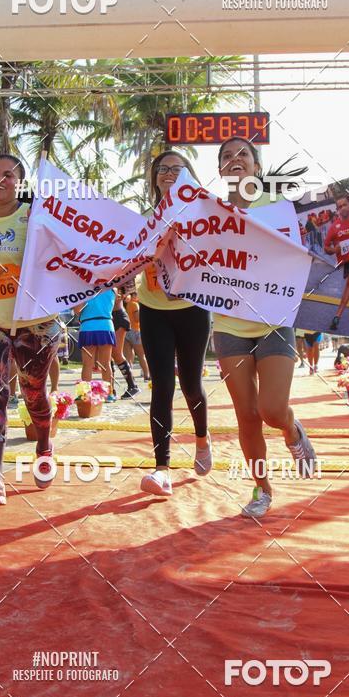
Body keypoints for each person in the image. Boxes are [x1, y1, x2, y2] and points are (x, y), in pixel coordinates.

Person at [214, 136, 317, 518]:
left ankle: (292, 430)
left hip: (274, 321)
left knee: (271, 410)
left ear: (256, 166)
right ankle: (262, 489)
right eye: (227, 155)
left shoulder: (279, 206)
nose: (235, 158)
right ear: (220, 170)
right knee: (247, 415)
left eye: (243, 153)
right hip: (229, 324)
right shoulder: (208, 213)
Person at [0, 154, 61, 506]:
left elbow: (62, 261)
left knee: (33, 392)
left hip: (35, 324)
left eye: (8, 175)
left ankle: (44, 445)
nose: (0, 179)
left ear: (20, 182)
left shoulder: (37, 218)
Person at [138, 150, 212, 498]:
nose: (168, 173)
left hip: (194, 308)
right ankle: (162, 469)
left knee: (191, 385)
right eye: (162, 169)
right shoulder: (144, 219)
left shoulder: (205, 214)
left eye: (176, 169)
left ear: (189, 176)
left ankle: (202, 438)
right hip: (153, 308)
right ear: (154, 179)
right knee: (162, 385)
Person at [324, 195, 349, 333]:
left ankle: (337, 316)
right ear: (337, 210)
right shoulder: (334, 227)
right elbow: (326, 247)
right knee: (348, 281)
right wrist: (334, 250)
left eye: (344, 205)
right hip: (345, 259)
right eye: (339, 207)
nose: (342, 208)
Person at [76, 287, 115, 399]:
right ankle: (109, 394)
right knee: (106, 363)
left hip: (88, 326)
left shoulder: (82, 288)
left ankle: (85, 395)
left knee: (87, 364)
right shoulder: (112, 288)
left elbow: (77, 310)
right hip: (106, 325)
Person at [111, 287, 139, 399]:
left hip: (118, 316)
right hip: (106, 318)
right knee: (107, 356)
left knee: (116, 353)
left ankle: (133, 386)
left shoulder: (115, 282)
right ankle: (110, 390)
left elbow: (127, 295)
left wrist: (124, 295)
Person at [124, 291, 150, 382]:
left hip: (126, 330)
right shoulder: (135, 304)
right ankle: (146, 375)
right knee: (141, 355)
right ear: (133, 295)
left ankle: (130, 377)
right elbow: (137, 318)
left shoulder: (125, 304)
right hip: (135, 331)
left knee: (128, 357)